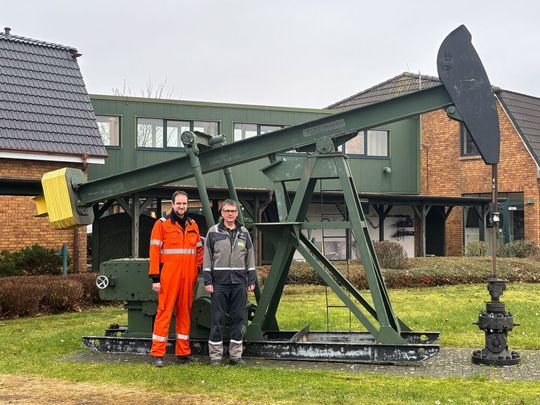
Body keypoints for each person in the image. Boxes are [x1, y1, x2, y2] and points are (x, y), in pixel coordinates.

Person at [148, 190, 203, 367]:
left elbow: (199, 250)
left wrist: (197, 268)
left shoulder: (193, 224)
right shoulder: (161, 225)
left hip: (188, 276)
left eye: (184, 203)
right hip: (168, 277)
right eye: (178, 203)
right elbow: (154, 252)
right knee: (164, 312)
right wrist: (155, 279)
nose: (181, 206)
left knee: (185, 313)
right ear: (172, 204)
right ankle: (158, 354)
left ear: (187, 205)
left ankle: (183, 352)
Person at [203, 199, 256, 366]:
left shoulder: (244, 233)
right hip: (219, 283)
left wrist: (251, 278)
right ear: (222, 213)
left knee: (238, 318)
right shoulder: (213, 232)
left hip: (239, 282)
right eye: (227, 211)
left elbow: (250, 257)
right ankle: (216, 357)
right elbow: (207, 258)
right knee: (217, 319)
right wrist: (208, 280)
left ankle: (236, 356)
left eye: (233, 211)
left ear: (237, 213)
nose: (230, 214)